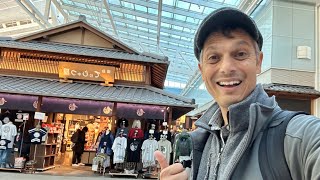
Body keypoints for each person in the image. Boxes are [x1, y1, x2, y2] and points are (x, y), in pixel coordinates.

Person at [154, 7, 320, 180]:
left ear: (258, 62)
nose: (226, 68)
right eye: (214, 57)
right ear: (202, 71)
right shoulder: (198, 147)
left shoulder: (300, 138)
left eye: (240, 54)